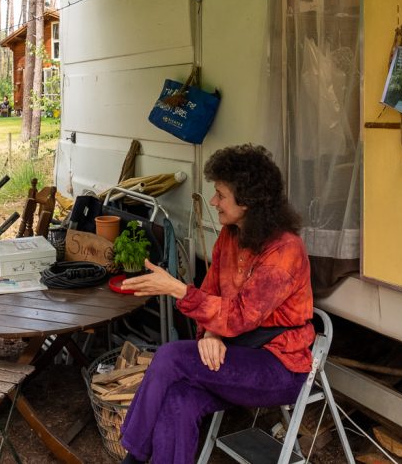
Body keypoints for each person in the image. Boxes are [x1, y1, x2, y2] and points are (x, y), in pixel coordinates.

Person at [118, 144, 314, 464]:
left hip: (278, 368)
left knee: (170, 356)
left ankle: (133, 458)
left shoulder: (284, 250)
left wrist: (178, 289)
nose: (213, 202)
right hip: (234, 353)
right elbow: (213, 295)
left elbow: (238, 316)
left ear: (248, 201)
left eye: (221, 194)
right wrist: (211, 333)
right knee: (179, 401)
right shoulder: (230, 234)